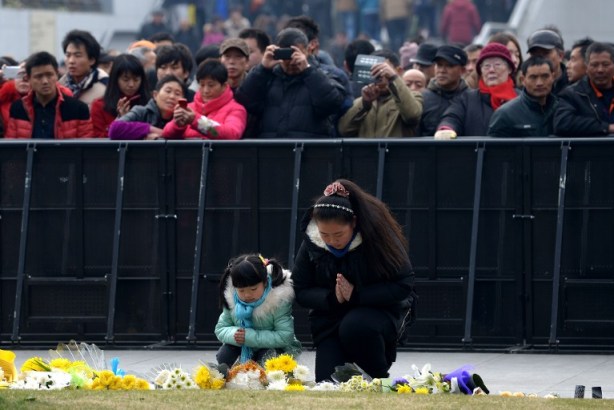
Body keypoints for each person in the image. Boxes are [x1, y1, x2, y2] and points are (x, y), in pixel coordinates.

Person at [293, 180, 417, 382]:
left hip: (377, 313)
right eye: (325, 235)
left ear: (354, 223)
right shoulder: (312, 243)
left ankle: (378, 375)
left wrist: (356, 295)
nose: (332, 241)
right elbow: (300, 288)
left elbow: (403, 283)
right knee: (328, 382)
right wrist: (333, 298)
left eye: (338, 234)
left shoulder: (378, 237)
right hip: (331, 318)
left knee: (355, 325)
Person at [235, 28, 343, 139]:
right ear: (277, 52)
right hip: (270, 150)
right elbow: (244, 101)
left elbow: (332, 104)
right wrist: (263, 68)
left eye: (297, 53)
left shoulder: (322, 75)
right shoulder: (267, 76)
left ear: (308, 51)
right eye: (286, 54)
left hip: (308, 152)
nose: (292, 61)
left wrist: (308, 71)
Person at [215, 254, 302, 367]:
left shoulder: (278, 299)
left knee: (268, 358)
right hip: (244, 346)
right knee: (224, 356)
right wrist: (235, 335)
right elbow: (221, 329)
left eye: (253, 289)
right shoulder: (232, 298)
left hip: (274, 347)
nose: (247, 295)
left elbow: (285, 336)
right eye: (241, 290)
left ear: (265, 282)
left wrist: (249, 337)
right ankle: (238, 375)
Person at [435, 42, 518, 138]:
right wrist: (446, 128)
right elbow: (452, 117)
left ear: (509, 69)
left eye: (497, 64)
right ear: (480, 71)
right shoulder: (467, 99)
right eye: (486, 66)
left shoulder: (521, 99)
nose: (491, 70)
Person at [6, 51, 93, 139]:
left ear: (56, 75)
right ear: (29, 79)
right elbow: (11, 148)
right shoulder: (18, 108)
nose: (45, 81)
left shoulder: (78, 109)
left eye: (49, 75)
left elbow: (86, 149)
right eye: (38, 77)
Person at [338, 49, 423, 138]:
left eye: (383, 70)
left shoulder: (412, 96)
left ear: (399, 71)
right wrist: (365, 105)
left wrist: (393, 78)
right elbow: (343, 130)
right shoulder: (363, 101)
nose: (379, 75)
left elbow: (412, 116)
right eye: (374, 71)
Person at [164, 59, 246, 140]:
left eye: (211, 85)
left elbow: (232, 134)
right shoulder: (189, 108)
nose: (205, 91)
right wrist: (177, 124)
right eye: (202, 85)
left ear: (224, 86)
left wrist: (197, 121)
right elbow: (166, 134)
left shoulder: (236, 109)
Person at [554, 42, 614, 137]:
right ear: (586, 67)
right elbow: (563, 123)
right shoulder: (572, 94)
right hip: (591, 150)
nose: (600, 70)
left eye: (605, 64)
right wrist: (607, 128)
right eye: (594, 65)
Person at [488, 57, 558, 137]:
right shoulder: (505, 114)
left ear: (553, 77)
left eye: (545, 76)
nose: (539, 83)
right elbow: (494, 148)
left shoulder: (560, 109)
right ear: (523, 80)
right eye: (533, 77)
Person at [107, 75, 186, 140]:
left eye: (177, 94)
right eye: (168, 91)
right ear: (155, 95)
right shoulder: (141, 112)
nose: (172, 96)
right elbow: (114, 129)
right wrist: (150, 130)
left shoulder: (184, 118)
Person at [90, 54, 151, 137]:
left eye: (136, 79)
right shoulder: (99, 105)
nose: (131, 84)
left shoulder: (150, 104)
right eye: (125, 79)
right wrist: (120, 121)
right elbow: (97, 139)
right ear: (115, 79)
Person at [419, 45, 468, 136]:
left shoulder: (471, 99)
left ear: (462, 70)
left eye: (449, 65)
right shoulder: (422, 98)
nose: (442, 70)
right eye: (439, 65)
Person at [58, 29, 109, 108]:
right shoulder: (59, 86)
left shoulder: (106, 86)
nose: (71, 61)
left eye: (77, 55)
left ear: (92, 60)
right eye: (68, 55)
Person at [526, 29, 569, 96]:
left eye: (545, 53)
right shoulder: (524, 89)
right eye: (535, 54)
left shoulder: (575, 86)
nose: (540, 58)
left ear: (560, 56)